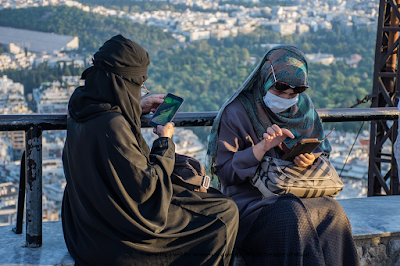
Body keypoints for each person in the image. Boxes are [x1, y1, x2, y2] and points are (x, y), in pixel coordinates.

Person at [62, 34, 238, 266]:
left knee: (211, 200)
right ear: (122, 83)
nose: (140, 89)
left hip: (88, 226)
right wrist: (164, 142)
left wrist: (134, 106)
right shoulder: (112, 125)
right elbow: (147, 187)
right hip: (119, 238)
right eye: (138, 84)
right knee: (224, 214)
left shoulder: (82, 106)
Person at [207, 45, 360, 266]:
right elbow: (225, 172)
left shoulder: (304, 109)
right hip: (252, 203)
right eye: (279, 91)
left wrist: (310, 159)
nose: (286, 98)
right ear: (264, 80)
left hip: (300, 193)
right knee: (292, 215)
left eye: (294, 93)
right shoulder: (238, 112)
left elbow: (321, 150)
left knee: (332, 211)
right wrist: (261, 148)